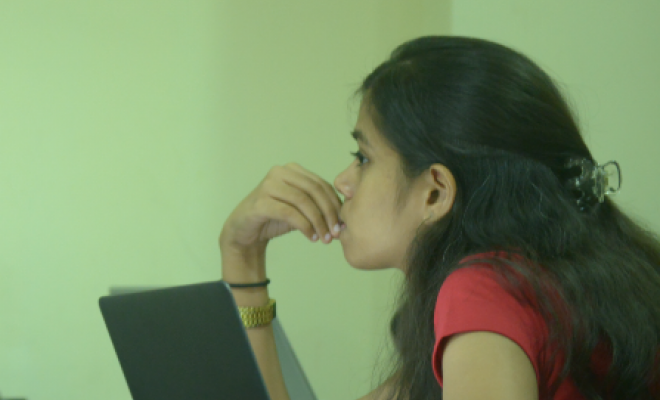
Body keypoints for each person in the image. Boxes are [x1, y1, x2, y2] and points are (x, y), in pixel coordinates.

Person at [218, 36, 660, 400]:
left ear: (435, 192)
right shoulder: (529, 285)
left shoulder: (482, 290)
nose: (343, 181)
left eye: (363, 157)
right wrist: (243, 255)